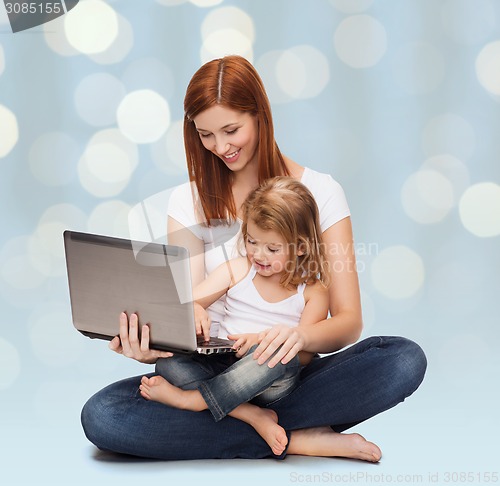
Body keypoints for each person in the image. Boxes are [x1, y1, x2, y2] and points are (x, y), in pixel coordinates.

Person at [81, 55, 427, 462]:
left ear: (260, 115)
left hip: (285, 367)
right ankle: (292, 435)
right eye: (206, 135)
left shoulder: (321, 192)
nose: (221, 147)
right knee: (103, 416)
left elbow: (348, 322)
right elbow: (191, 309)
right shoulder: (186, 201)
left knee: (402, 359)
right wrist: (151, 342)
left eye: (231, 130)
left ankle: (235, 419)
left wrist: (298, 337)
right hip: (209, 366)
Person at [139, 176, 331, 456]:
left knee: (282, 356)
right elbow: (187, 303)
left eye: (272, 248)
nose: (259, 255)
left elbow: (304, 355)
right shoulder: (238, 269)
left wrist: (260, 344)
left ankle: (192, 401)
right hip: (224, 365)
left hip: (269, 378)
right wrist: (195, 309)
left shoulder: (313, 291)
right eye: (252, 242)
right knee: (169, 365)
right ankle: (251, 415)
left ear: (301, 247)